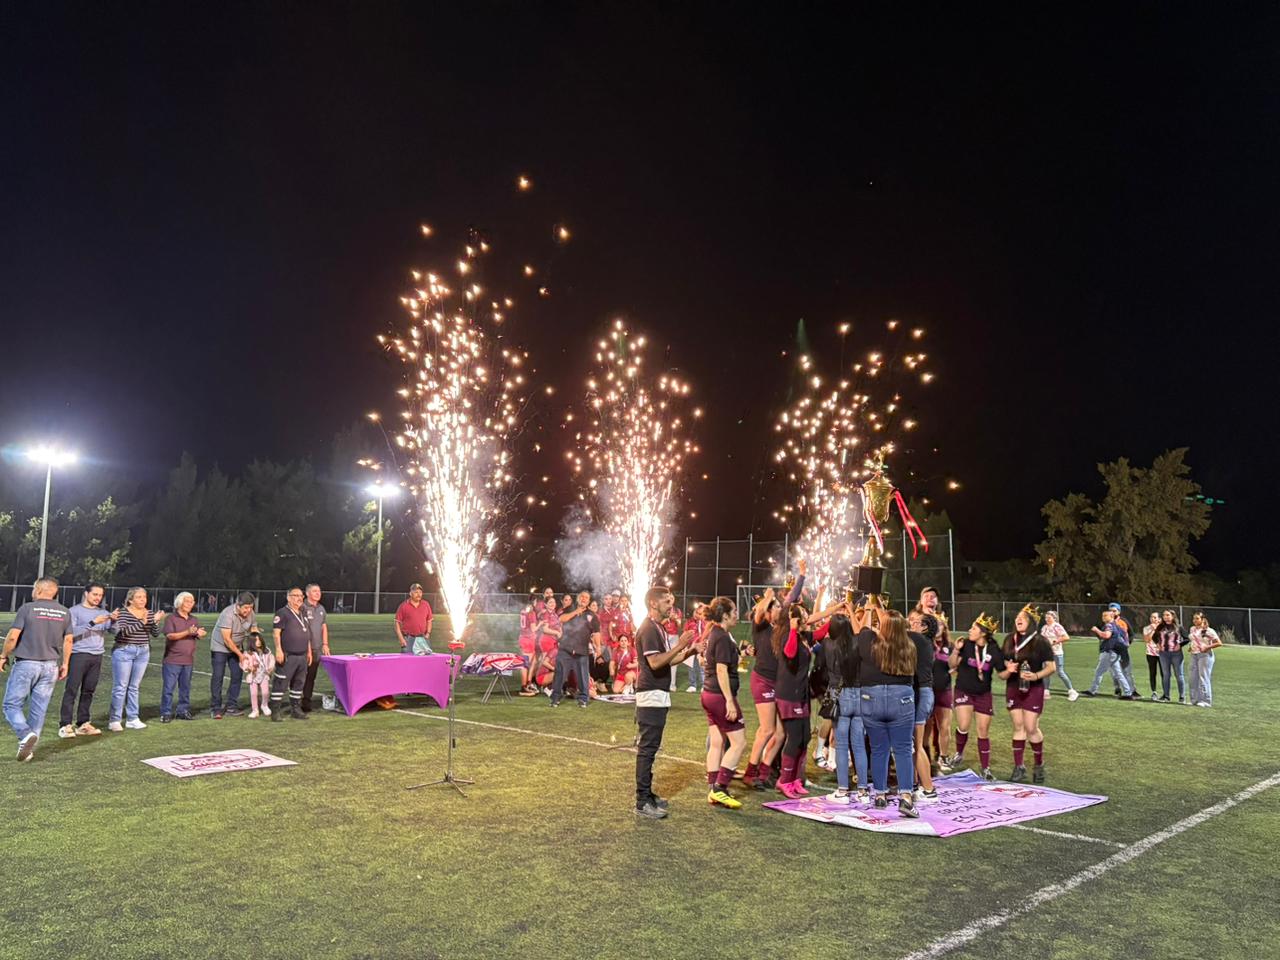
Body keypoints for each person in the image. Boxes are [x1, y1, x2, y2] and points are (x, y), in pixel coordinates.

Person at [849, 605, 919, 817]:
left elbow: (862, 630)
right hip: (901, 698)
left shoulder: (870, 642)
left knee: (879, 749)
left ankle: (880, 795)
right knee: (903, 749)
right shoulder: (910, 645)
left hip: (872, 698)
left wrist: (869, 609)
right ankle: (906, 797)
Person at [633, 587, 696, 819]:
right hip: (650, 694)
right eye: (667, 602)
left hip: (657, 693)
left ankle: (648, 795)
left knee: (652, 748)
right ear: (653, 603)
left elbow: (667, 660)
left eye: (672, 601)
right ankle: (642, 801)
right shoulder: (649, 628)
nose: (671, 606)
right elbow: (655, 662)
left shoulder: (658, 627)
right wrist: (681, 644)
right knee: (647, 749)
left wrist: (689, 652)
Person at [743, 561, 806, 789]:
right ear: (769, 612)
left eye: (780, 607)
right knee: (767, 729)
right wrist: (768, 598)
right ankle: (750, 772)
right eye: (776, 607)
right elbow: (760, 611)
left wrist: (802, 576)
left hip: (778, 683)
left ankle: (763, 773)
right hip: (763, 680)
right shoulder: (760, 625)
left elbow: (791, 599)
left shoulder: (781, 627)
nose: (780, 609)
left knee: (780, 733)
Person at [1, 577, 73, 762]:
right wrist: (65, 664)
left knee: (11, 705)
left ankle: (25, 734)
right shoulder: (64, 612)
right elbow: (68, 640)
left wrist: (3, 656)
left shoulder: (27, 608)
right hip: (51, 666)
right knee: (38, 709)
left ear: (39, 590)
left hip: (27, 664)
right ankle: (28, 750)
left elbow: (12, 637)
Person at [943, 613, 1006, 780]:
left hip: (983, 694)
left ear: (983, 633)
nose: (970, 630)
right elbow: (951, 664)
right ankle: (959, 753)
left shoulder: (994, 649)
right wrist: (956, 650)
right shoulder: (965, 644)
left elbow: (1002, 674)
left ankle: (985, 768)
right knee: (963, 725)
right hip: (964, 690)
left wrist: (1011, 670)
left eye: (973, 628)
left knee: (983, 731)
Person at [998, 605, 1055, 783]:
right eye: (1017, 617)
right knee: (1018, 726)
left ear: (1031, 622)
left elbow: (1051, 667)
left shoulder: (1041, 641)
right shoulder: (1009, 639)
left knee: (1031, 727)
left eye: (1023, 617)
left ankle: (1038, 764)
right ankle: (1019, 766)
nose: (1018, 619)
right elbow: (1002, 664)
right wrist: (1008, 667)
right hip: (1013, 687)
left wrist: (1036, 676)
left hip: (1033, 688)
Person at [700, 596, 747, 809]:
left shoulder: (717, 633)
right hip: (719, 696)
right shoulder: (721, 636)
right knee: (739, 742)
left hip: (709, 694)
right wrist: (729, 700)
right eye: (734, 611)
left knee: (717, 741)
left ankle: (713, 788)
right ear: (725, 616)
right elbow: (721, 669)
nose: (737, 614)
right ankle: (720, 788)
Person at [59, 582, 112, 738]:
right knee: (72, 690)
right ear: (86, 593)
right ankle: (65, 724)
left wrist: (115, 620)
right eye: (95, 594)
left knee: (89, 690)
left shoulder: (104, 612)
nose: (98, 598)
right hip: (79, 654)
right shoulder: (74, 611)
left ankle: (83, 723)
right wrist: (93, 622)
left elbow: (114, 630)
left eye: (100, 595)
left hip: (97, 655)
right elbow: (71, 633)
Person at [107, 587, 162, 732]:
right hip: (124, 650)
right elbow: (123, 632)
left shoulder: (149, 612)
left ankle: (132, 718)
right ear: (130, 600)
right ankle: (115, 720)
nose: (143, 600)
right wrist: (142, 622)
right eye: (139, 597)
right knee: (120, 687)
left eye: (144, 597)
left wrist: (155, 622)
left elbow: (155, 633)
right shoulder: (123, 612)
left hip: (143, 651)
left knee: (134, 687)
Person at [906, 610, 939, 802]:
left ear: (924, 627)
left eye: (916, 622)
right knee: (913, 744)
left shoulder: (919, 639)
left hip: (922, 693)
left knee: (917, 745)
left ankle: (929, 790)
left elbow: (894, 630)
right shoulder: (923, 641)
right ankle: (914, 784)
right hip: (923, 693)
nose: (912, 623)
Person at [211, 592, 258, 718]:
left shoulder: (251, 614)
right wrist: (240, 655)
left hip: (237, 646)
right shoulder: (227, 614)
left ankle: (231, 706)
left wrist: (253, 649)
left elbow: (253, 630)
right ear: (238, 606)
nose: (248, 610)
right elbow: (227, 639)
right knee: (218, 676)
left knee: (237, 675)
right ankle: (216, 708)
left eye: (251, 607)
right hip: (220, 647)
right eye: (246, 608)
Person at [160, 592, 205, 722]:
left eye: (192, 601)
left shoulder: (194, 619)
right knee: (168, 688)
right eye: (187, 601)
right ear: (179, 603)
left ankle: (183, 711)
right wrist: (188, 632)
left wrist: (200, 633)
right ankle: (166, 713)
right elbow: (170, 636)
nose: (190, 604)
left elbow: (196, 634)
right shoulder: (171, 618)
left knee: (185, 688)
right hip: (172, 660)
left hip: (188, 660)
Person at [270, 587, 312, 721]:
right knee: (281, 682)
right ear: (288, 597)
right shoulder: (282, 613)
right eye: (296, 595)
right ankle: (275, 711)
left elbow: (307, 633)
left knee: (299, 683)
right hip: (288, 655)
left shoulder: (303, 612)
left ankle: (296, 709)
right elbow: (276, 633)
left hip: (302, 655)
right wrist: (278, 650)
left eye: (301, 596)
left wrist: (309, 651)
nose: (299, 598)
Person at [552, 591, 598, 707]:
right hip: (565, 648)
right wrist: (575, 612)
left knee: (583, 676)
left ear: (589, 601)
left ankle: (583, 699)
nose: (584, 599)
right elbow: (561, 619)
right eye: (582, 597)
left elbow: (597, 633)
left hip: (582, 650)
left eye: (586, 597)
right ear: (578, 598)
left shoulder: (592, 615)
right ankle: (555, 698)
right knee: (560, 674)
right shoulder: (570, 608)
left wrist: (598, 648)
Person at [1082, 610, 1135, 699]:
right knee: (1118, 673)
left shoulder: (1109, 625)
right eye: (1103, 615)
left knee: (1099, 672)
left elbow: (1106, 635)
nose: (1103, 617)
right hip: (1115, 652)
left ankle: (1092, 691)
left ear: (1111, 617)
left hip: (1109, 652)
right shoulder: (1117, 626)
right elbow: (1125, 636)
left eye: (1105, 616)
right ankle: (1128, 693)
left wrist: (1096, 630)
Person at [301, 583, 330, 712]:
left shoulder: (321, 608)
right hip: (303, 648)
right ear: (307, 593)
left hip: (317, 648)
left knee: (311, 676)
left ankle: (306, 701)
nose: (318, 593)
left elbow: (324, 627)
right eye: (314, 591)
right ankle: (295, 700)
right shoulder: (302, 607)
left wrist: (325, 644)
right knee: (300, 675)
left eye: (319, 591)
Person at [1040, 611, 1078, 702]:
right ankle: (1046, 691)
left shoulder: (1057, 627)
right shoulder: (1044, 627)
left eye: (1049, 617)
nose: (1047, 619)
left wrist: (1054, 642)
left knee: (1060, 672)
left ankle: (1072, 691)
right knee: (1046, 672)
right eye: (1046, 617)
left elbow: (1066, 637)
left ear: (1054, 618)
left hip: (1056, 652)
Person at [1153, 610, 1188, 703]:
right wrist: (1158, 644)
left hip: (1176, 654)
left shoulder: (1178, 627)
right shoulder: (1160, 627)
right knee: (1166, 675)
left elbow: (1187, 638)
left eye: (1168, 615)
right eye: (1164, 615)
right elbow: (1154, 637)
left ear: (1173, 616)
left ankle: (1182, 697)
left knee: (1179, 675)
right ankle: (1166, 696)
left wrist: (1180, 645)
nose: (1166, 617)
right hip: (1164, 654)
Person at [1188, 612, 1222, 707]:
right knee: (1193, 677)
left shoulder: (1208, 630)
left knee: (1203, 677)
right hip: (1194, 655)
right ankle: (1194, 700)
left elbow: (1219, 643)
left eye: (1197, 618)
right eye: (1194, 618)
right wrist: (1191, 646)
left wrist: (1207, 647)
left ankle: (1205, 701)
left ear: (1202, 619)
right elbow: (1193, 639)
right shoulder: (1192, 629)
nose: (1195, 620)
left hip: (1205, 655)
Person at [395, 583, 433, 655]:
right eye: (416, 592)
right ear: (410, 593)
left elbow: (429, 620)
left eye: (420, 592)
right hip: (409, 638)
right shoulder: (404, 606)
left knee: (426, 659)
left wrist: (428, 633)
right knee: (407, 659)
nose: (418, 594)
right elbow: (397, 623)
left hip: (423, 637)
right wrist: (401, 639)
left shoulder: (426, 604)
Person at [244, 634, 276, 718]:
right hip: (253, 676)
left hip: (264, 675)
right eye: (255, 640)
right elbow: (244, 663)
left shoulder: (267, 651)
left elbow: (272, 660)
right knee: (253, 693)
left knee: (265, 692)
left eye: (259, 639)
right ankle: (255, 710)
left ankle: (264, 705)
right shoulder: (248, 653)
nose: (258, 642)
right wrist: (249, 668)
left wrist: (270, 668)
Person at [1142, 612, 1161, 700]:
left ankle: (1165, 693)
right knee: (1152, 673)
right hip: (1150, 653)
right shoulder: (1146, 628)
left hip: (1161, 653)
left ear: (1159, 619)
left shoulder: (1163, 628)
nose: (1153, 619)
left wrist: (1157, 629)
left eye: (1155, 617)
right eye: (1151, 617)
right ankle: (1154, 692)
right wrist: (1153, 630)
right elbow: (1146, 640)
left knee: (1164, 673)